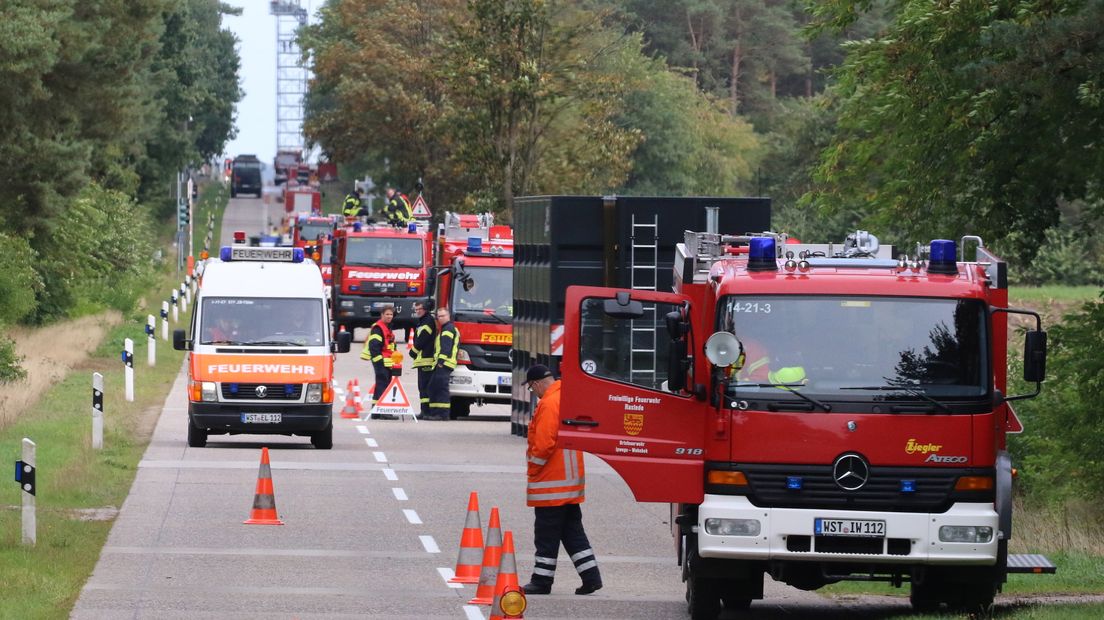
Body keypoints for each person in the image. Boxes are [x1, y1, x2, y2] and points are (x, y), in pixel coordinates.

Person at [521, 364, 603, 596]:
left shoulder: (548, 403)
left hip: (552, 484)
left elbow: (544, 443)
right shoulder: (565, 397)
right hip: (569, 483)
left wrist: (533, 469)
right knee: (572, 532)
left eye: (531, 388)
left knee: (546, 535)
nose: (533, 393)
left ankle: (541, 581)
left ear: (536, 384)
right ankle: (591, 576)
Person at [426, 307, 459, 420]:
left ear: (448, 316)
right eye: (439, 316)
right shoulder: (446, 328)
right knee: (433, 387)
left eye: (443, 316)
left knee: (441, 389)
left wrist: (440, 362)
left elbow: (446, 347)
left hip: (444, 363)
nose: (440, 318)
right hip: (443, 363)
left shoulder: (448, 329)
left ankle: (442, 414)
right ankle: (435, 413)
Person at [361, 306, 397, 405]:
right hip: (381, 362)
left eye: (391, 314)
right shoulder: (378, 328)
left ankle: (376, 410)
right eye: (387, 314)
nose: (389, 316)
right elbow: (374, 346)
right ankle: (383, 410)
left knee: (381, 385)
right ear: (382, 315)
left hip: (387, 362)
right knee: (383, 385)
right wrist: (379, 362)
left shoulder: (387, 327)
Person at [410, 300, 437, 418]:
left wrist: (413, 351)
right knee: (422, 387)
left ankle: (427, 411)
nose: (417, 311)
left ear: (425, 309)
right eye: (415, 310)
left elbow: (422, 339)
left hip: (426, 359)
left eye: (419, 309)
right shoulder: (423, 321)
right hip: (422, 360)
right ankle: (424, 411)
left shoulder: (427, 321)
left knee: (425, 386)